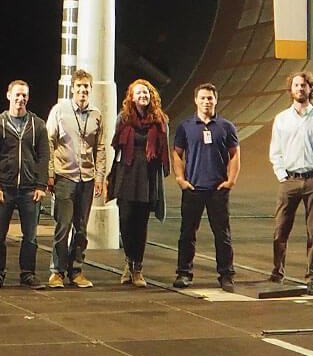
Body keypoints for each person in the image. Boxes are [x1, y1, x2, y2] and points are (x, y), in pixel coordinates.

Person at [268, 71, 313, 293]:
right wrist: (281, 176)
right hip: (289, 180)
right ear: (291, 89)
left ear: (310, 89)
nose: (300, 89)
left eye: (303, 85)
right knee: (280, 230)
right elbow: (275, 151)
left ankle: (311, 277)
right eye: (296, 85)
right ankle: (277, 273)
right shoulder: (282, 119)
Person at [171, 83, 240, 291]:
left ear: (216, 100)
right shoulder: (186, 127)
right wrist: (181, 179)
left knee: (222, 234)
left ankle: (226, 274)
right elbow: (177, 153)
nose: (206, 102)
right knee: (187, 234)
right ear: (196, 100)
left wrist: (231, 180)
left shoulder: (226, 127)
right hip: (193, 189)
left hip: (217, 189)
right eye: (202, 98)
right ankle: (184, 273)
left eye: (210, 98)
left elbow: (235, 153)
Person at [45, 70, 108, 289]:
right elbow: (49, 143)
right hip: (64, 177)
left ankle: (76, 270)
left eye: (86, 87)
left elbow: (100, 148)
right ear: (72, 88)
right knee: (63, 226)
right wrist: (50, 174)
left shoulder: (96, 115)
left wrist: (100, 177)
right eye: (79, 86)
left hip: (87, 179)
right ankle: (57, 272)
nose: (83, 90)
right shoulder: (59, 111)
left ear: (91, 89)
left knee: (81, 229)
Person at [0, 80, 50, 288]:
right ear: (9, 95)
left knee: (30, 237)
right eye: (18, 95)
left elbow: (43, 156)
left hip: (30, 190)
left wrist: (41, 185)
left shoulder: (37, 125)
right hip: (5, 189)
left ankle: (27, 273)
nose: (21, 99)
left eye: (25, 96)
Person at [110, 78, 169, 286]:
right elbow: (115, 148)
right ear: (131, 97)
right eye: (138, 93)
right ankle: (128, 261)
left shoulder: (159, 120)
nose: (143, 96)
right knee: (126, 221)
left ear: (151, 96)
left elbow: (164, 149)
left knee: (140, 224)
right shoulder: (123, 118)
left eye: (146, 93)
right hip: (127, 174)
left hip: (147, 176)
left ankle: (137, 268)